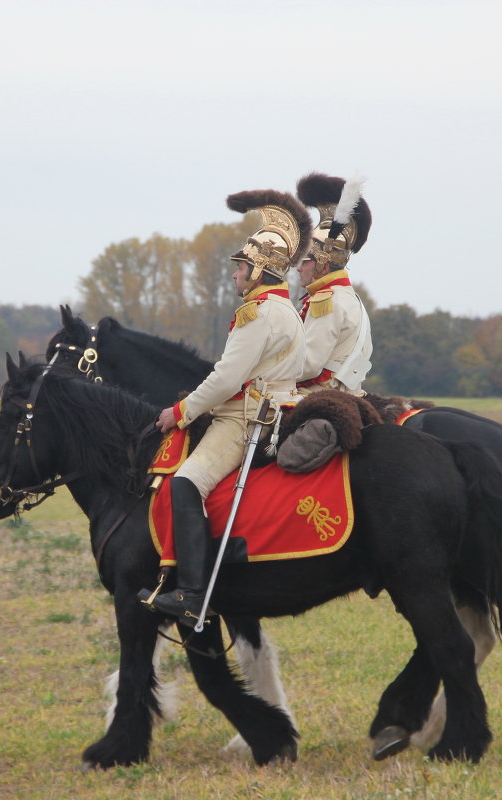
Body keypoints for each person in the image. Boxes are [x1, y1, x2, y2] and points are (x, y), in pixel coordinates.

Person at [142, 188, 312, 622]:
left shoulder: (256, 314)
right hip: (277, 409)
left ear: (259, 269)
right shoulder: (287, 309)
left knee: (185, 483)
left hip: (244, 421)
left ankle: (192, 594)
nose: (235, 275)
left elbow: (225, 378)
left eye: (240, 267)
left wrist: (179, 413)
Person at [293, 173, 373, 396]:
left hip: (318, 395)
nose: (299, 267)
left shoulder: (326, 300)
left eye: (305, 261)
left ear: (323, 263)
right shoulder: (348, 297)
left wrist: (262, 370)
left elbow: (308, 365)